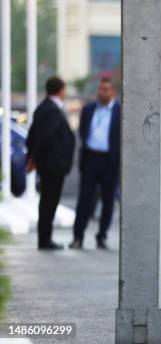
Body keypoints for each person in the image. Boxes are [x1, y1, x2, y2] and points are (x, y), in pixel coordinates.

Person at [69, 78, 120, 250]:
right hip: (91, 159)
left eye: (105, 90)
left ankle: (101, 236)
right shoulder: (88, 109)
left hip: (110, 161)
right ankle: (78, 237)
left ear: (112, 92)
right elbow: (83, 132)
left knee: (108, 201)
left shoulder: (120, 112)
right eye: (99, 89)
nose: (101, 93)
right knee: (84, 199)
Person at [26, 76, 75, 250]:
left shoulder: (43, 108)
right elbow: (44, 137)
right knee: (49, 202)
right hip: (52, 165)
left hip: (49, 164)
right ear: (61, 90)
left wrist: (32, 157)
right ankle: (45, 239)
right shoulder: (52, 110)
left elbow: (32, 135)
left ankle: (45, 238)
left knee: (47, 201)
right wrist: (34, 159)